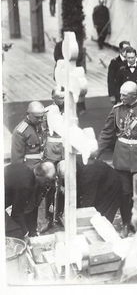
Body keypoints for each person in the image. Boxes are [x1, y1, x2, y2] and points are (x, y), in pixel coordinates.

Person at [91, 81, 137, 238]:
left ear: (134, 96)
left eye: (124, 95)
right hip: (121, 159)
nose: (120, 97)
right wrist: (96, 152)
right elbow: (107, 132)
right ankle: (126, 224)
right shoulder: (116, 110)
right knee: (123, 193)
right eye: (120, 93)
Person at [57, 157, 122, 223]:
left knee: (101, 220)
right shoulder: (72, 164)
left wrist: (79, 218)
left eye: (68, 178)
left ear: (73, 172)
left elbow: (88, 203)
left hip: (111, 186)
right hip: (98, 182)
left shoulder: (87, 178)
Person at [5, 161, 57, 239]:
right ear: (38, 175)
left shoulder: (25, 168)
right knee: (16, 232)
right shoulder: (25, 185)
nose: (47, 185)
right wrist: (26, 234)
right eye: (46, 181)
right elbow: (16, 214)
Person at [39, 87, 66, 233]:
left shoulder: (70, 111)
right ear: (53, 97)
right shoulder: (47, 112)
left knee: (64, 183)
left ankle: (61, 214)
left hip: (65, 149)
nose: (63, 100)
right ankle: (48, 217)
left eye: (64, 97)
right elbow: (41, 132)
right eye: (60, 97)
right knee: (49, 184)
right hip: (51, 148)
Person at [11, 101, 46, 168]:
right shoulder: (20, 131)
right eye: (37, 117)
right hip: (29, 168)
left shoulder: (39, 124)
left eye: (42, 117)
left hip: (42, 166)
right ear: (28, 114)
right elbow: (16, 159)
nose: (40, 120)